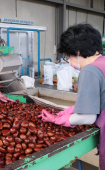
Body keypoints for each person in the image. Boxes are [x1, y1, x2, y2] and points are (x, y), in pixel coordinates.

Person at [38, 24, 105, 169]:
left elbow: (87, 117)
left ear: (78, 51)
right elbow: (99, 99)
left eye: (68, 56)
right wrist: (72, 110)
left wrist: (58, 119)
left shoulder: (90, 70)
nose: (69, 61)